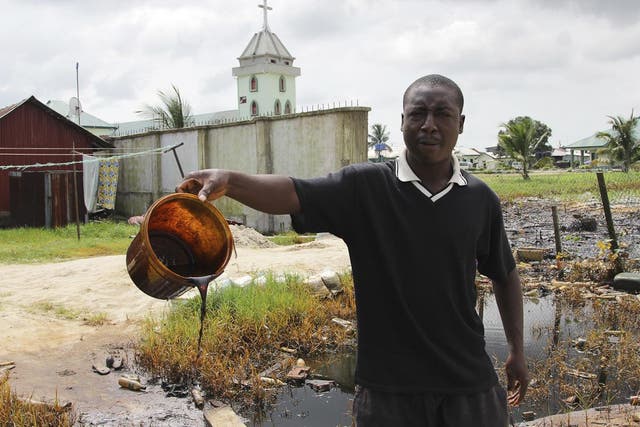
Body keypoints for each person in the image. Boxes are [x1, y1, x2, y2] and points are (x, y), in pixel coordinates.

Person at [176, 74, 529, 426]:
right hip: (388, 391)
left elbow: (504, 273)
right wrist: (231, 181)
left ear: (461, 123)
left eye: (442, 114)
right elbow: (293, 192)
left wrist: (517, 349)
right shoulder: (365, 188)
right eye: (418, 113)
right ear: (402, 121)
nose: (429, 125)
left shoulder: (479, 198)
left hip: (469, 385)